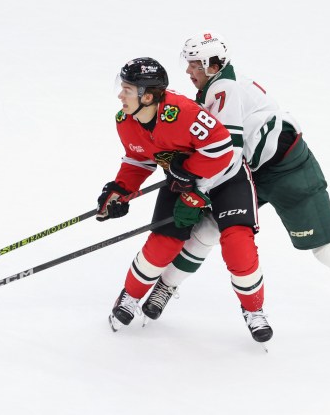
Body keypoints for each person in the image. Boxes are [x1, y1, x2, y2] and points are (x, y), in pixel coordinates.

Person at [141, 32, 330, 339]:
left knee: (327, 248)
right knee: (208, 230)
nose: (188, 72)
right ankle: (166, 286)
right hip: (247, 171)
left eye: (194, 66)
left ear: (212, 65)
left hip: (288, 172)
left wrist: (197, 191)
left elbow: (228, 154)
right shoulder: (216, 87)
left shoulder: (225, 88)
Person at [98, 57, 273, 343]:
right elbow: (139, 158)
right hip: (183, 181)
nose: (120, 95)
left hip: (226, 177)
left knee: (237, 244)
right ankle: (130, 296)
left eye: (127, 89)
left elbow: (222, 149)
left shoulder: (182, 113)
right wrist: (120, 189)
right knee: (163, 243)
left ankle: (254, 311)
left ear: (149, 96)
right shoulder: (126, 121)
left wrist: (195, 187)